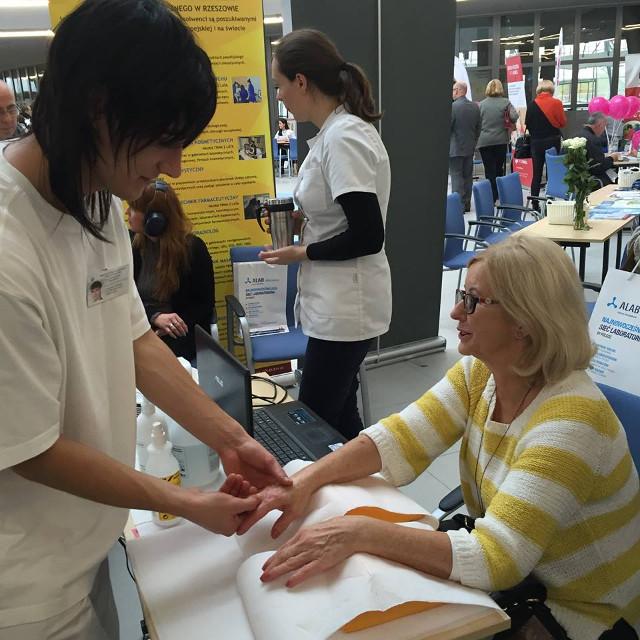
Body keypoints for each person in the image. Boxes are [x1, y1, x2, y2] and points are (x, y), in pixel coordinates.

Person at [0, 2, 290, 638]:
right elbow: (33, 451)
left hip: (83, 544)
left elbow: (134, 338)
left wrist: (230, 438)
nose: (175, 167)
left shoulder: (98, 197)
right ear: (100, 109)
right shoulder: (8, 246)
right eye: (166, 141)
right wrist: (185, 502)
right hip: (22, 584)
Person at [241, 235, 640, 640]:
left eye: (472, 301)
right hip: (524, 582)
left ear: (524, 321)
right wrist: (303, 481)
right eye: (461, 296)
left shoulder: (572, 424)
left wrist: (358, 533)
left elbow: (496, 559)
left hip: (583, 612)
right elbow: (399, 437)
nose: (455, 312)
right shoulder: (481, 373)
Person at [259, 29, 392, 441]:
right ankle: (368, 478)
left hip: (345, 308)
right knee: (341, 418)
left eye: (280, 85)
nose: (279, 96)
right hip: (333, 305)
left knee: (313, 424)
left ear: (301, 81)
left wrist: (301, 252)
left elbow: (367, 234)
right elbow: (340, 214)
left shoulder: (344, 138)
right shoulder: (332, 136)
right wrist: (303, 219)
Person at [128, 179, 214, 363]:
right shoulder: (131, 244)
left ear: (154, 219)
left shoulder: (193, 249)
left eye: (133, 209)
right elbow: (125, 297)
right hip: (139, 330)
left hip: (179, 338)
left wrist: (171, 326)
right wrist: (155, 317)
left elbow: (204, 305)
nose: (127, 213)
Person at [525, 80, 567, 208]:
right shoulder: (556, 103)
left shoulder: (531, 105)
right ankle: (550, 202)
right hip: (552, 141)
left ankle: (535, 203)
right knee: (551, 173)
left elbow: (528, 123)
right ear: (551, 90)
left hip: (536, 143)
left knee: (537, 173)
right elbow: (562, 123)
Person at [477, 79, 518, 202]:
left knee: (489, 169)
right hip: (500, 141)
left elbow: (477, 122)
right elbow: (514, 116)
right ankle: (500, 193)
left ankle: (492, 196)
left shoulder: (481, 104)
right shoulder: (506, 102)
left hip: (484, 142)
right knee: (499, 168)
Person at [450, 80, 481, 212]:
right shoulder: (475, 107)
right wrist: (473, 142)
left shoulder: (453, 107)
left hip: (455, 148)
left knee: (456, 176)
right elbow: (478, 128)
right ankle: (467, 204)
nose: (452, 93)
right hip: (469, 148)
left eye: (453, 90)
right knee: (468, 177)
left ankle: (459, 206)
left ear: (458, 91)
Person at [583, 112, 620, 186]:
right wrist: (612, 158)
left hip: (577, 177)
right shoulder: (593, 140)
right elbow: (599, 166)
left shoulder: (577, 135)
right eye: (604, 127)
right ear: (600, 125)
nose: (603, 131)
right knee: (618, 178)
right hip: (592, 179)